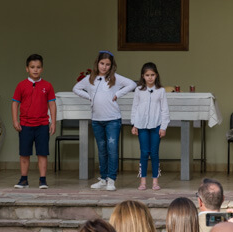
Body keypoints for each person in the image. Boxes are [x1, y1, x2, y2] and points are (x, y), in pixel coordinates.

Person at [73, 50, 136, 191]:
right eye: (102, 63)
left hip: (112, 119)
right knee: (102, 150)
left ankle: (111, 179)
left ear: (111, 66)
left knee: (112, 149)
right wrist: (89, 96)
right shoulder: (90, 79)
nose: (104, 67)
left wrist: (118, 94)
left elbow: (132, 84)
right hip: (97, 120)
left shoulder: (115, 78)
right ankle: (103, 178)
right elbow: (76, 88)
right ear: (97, 63)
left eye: (108, 64)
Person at [12, 54, 56, 189]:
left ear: (42, 69)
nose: (35, 70)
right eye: (32, 67)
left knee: (42, 153)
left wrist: (53, 122)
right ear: (27, 69)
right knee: (24, 153)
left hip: (42, 125)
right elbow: (15, 103)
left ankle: (43, 180)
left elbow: (52, 105)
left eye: (38, 67)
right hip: (25, 125)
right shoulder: (21, 85)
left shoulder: (47, 86)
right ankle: (23, 179)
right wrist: (15, 120)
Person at [130, 62, 170, 191]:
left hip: (156, 125)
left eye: (152, 75)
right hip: (141, 125)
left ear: (156, 75)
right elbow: (135, 108)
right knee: (144, 153)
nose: (150, 77)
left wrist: (163, 127)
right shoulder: (138, 90)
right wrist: (134, 124)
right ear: (143, 76)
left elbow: (165, 110)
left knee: (154, 153)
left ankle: (155, 181)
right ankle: (142, 182)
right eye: (147, 75)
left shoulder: (161, 91)